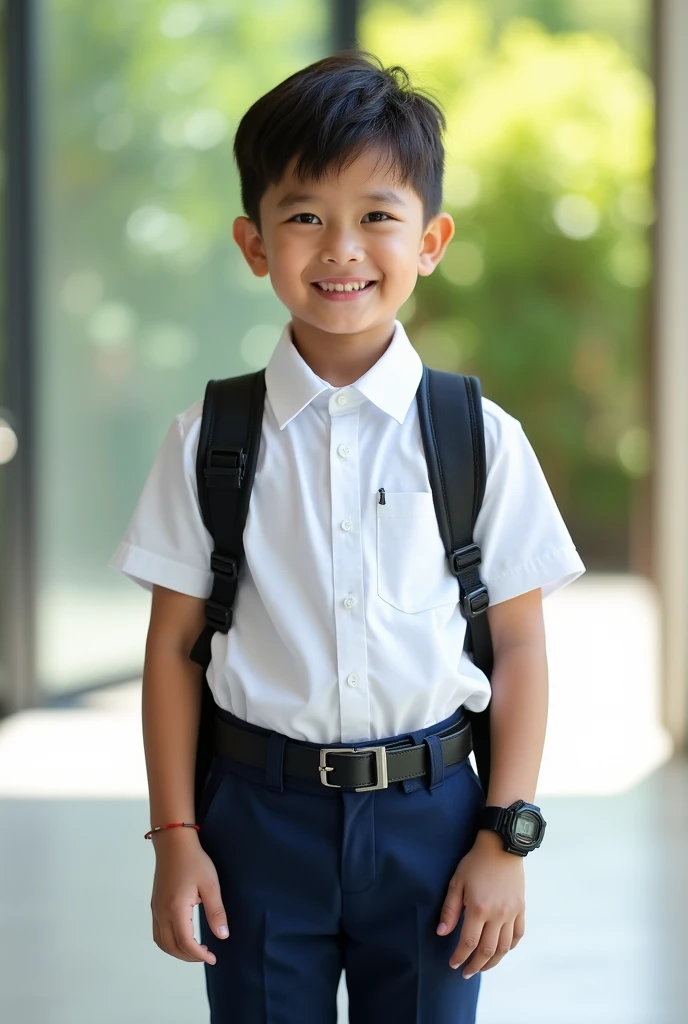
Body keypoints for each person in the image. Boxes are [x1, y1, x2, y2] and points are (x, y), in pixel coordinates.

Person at [109, 49, 585, 1024]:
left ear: (432, 237)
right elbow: (170, 649)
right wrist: (175, 836)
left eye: (377, 215)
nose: (340, 249)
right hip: (254, 820)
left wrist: (506, 837)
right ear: (253, 243)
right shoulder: (209, 440)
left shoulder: (477, 437)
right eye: (303, 217)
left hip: (435, 823)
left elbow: (524, 646)